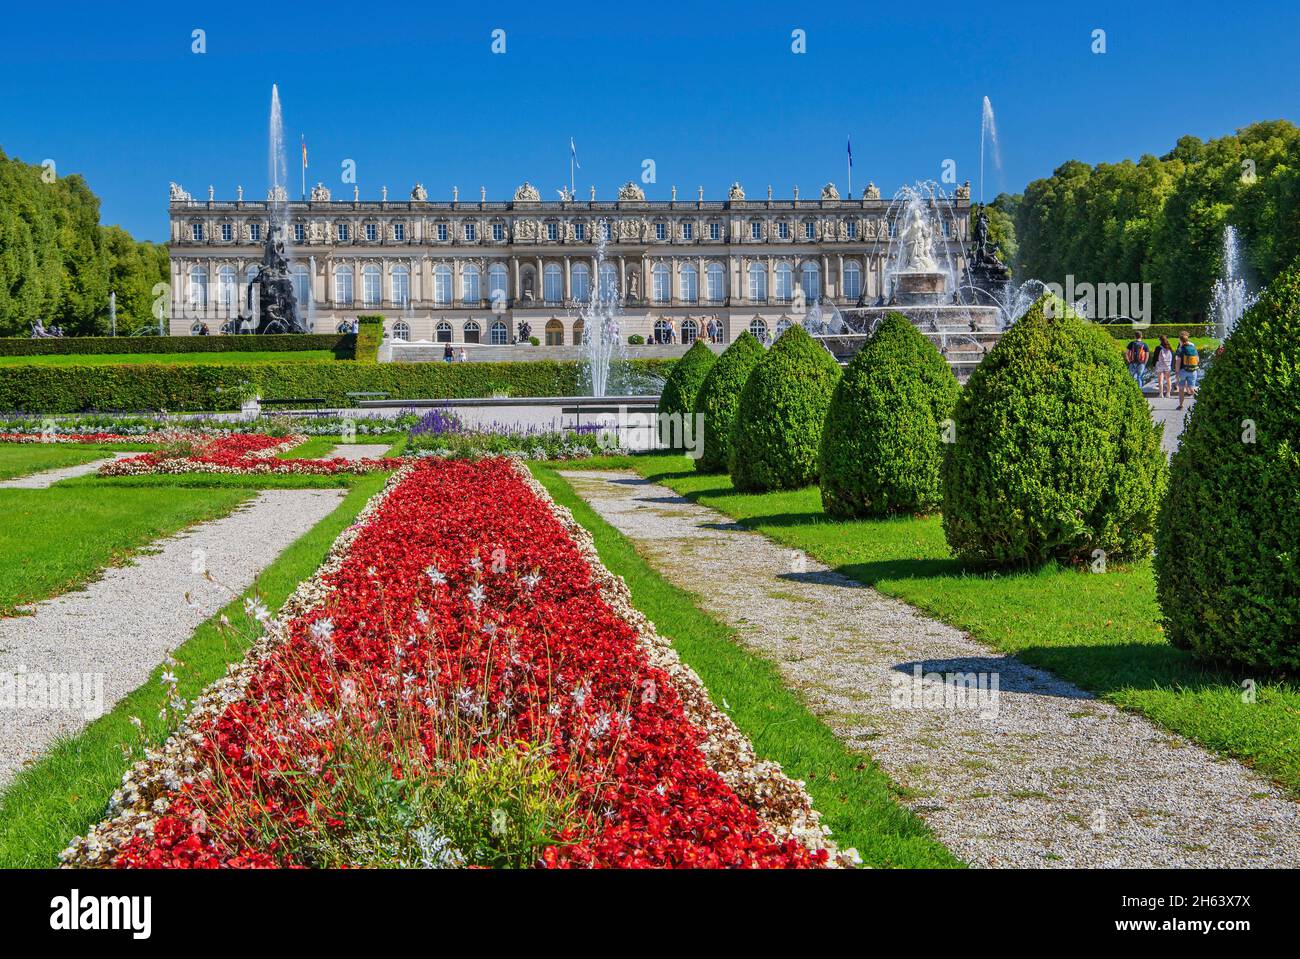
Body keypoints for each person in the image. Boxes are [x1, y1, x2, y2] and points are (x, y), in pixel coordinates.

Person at [1174, 330, 1200, 410]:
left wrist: (1176, 373)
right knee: (1192, 388)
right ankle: (1200, 400)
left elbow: (1178, 362)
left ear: (1180, 340)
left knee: (1181, 389)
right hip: (1193, 371)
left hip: (1183, 371)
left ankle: (1181, 405)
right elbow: (1198, 360)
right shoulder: (1193, 348)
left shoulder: (1180, 349)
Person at [1152, 334, 1174, 398]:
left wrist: (1153, 365)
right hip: (1167, 365)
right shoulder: (1169, 347)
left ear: (1160, 340)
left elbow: (1155, 358)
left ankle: (1161, 394)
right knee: (1168, 379)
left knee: (1160, 380)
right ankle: (1168, 393)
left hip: (1160, 365)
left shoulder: (1158, 348)